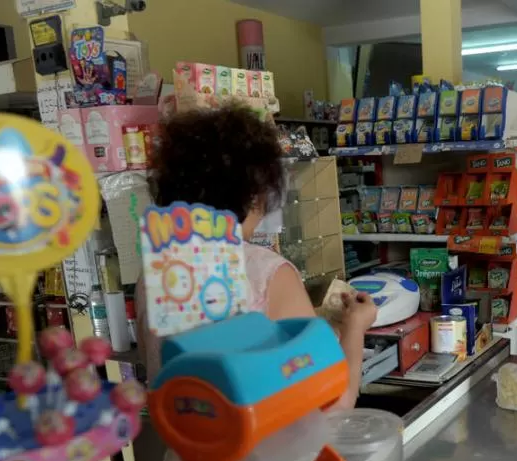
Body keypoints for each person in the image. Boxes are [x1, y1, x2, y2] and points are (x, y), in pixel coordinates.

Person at [136, 105, 376, 410]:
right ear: (254, 194)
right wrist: (355, 327)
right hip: (270, 457)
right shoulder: (269, 273)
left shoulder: (153, 273)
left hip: (187, 456)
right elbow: (333, 404)